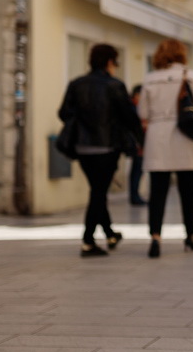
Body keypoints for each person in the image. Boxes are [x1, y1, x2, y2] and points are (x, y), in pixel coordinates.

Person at [58, 44, 144, 257]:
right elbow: (130, 117)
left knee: (98, 190)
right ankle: (88, 241)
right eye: (115, 62)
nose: (116, 67)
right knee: (98, 192)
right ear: (109, 62)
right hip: (107, 147)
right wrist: (140, 140)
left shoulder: (76, 84)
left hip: (82, 147)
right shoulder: (115, 86)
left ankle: (109, 233)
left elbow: (64, 113)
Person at [138, 38, 193, 258]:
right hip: (185, 137)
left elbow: (142, 113)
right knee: (188, 191)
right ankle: (190, 236)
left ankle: (155, 237)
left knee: (157, 191)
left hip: (158, 137)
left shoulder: (150, 79)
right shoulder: (191, 76)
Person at [128, 84, 147, 205]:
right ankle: (134, 196)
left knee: (138, 171)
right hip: (137, 145)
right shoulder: (133, 108)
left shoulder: (136, 108)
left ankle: (135, 195)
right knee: (136, 171)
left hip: (139, 144)